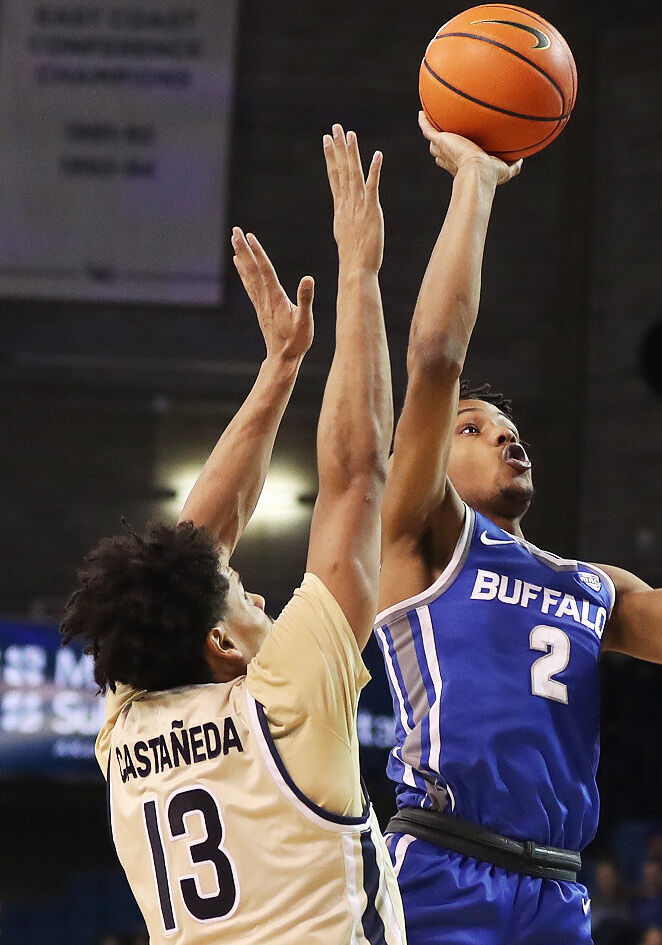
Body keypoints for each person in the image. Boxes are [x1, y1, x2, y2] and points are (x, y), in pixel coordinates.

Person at [376, 115, 662, 945]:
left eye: (507, 427)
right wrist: (474, 182)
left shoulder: (593, 587)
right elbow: (435, 356)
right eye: (472, 429)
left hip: (555, 889)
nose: (503, 435)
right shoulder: (424, 538)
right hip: (440, 865)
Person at [66, 127, 402, 943]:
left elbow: (189, 550)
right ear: (219, 641)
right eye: (245, 594)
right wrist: (357, 274)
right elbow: (354, 476)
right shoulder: (282, 703)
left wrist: (282, 366)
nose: (258, 591)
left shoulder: (132, 724)